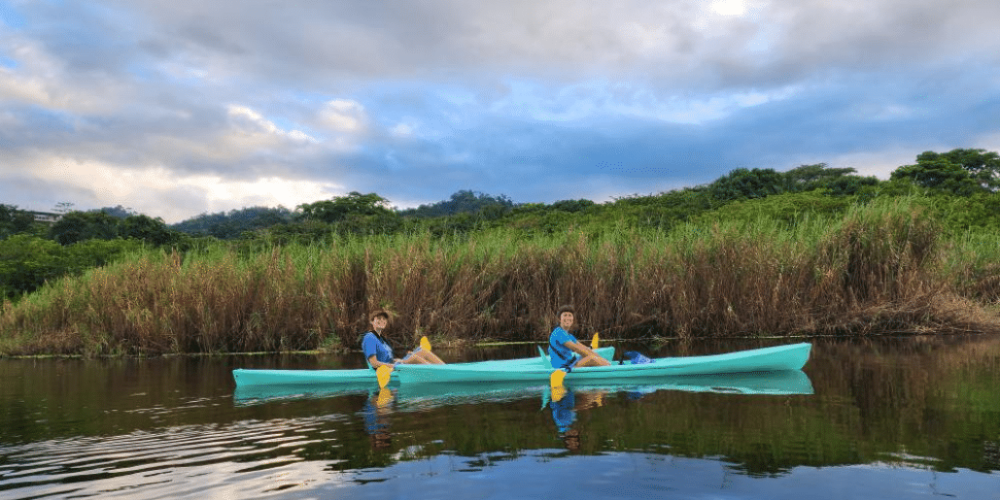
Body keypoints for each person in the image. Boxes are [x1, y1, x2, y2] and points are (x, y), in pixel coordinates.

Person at [362, 310, 445, 369]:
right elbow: (374, 363)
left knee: (423, 351)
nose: (382, 321)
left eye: (384, 319)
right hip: (387, 369)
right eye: (379, 318)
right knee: (415, 358)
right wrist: (395, 365)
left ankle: (446, 368)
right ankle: (440, 373)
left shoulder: (382, 339)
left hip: (394, 363)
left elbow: (387, 357)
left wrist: (400, 360)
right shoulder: (370, 338)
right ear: (372, 321)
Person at [548, 305, 610, 370]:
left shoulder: (569, 335)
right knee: (591, 359)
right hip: (562, 367)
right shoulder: (558, 333)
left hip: (569, 362)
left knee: (590, 356)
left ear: (573, 319)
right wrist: (598, 360)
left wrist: (602, 359)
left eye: (570, 315)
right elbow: (577, 349)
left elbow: (585, 348)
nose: (567, 318)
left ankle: (607, 366)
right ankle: (610, 370)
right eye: (565, 315)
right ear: (559, 319)